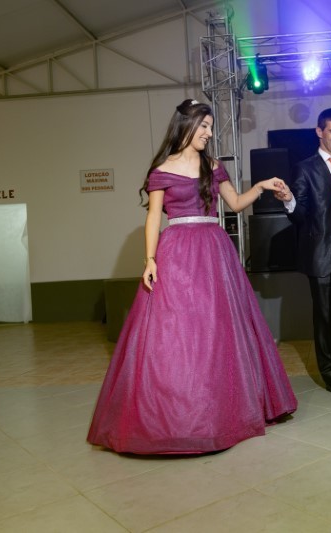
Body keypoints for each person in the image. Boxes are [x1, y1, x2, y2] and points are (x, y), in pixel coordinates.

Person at [88, 98, 297, 454]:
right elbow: (153, 217)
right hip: (177, 253)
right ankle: (176, 416)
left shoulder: (213, 166)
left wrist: (261, 186)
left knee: (217, 330)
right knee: (178, 331)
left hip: (214, 250)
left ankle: (221, 411)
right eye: (204, 126)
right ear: (186, 125)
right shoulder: (161, 170)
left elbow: (235, 204)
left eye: (211, 127)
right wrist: (149, 259)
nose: (209, 133)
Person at [274, 108, 331, 398]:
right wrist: (289, 200)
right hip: (321, 254)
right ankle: (330, 374)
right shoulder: (305, 169)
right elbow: (299, 215)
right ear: (319, 132)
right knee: (324, 317)